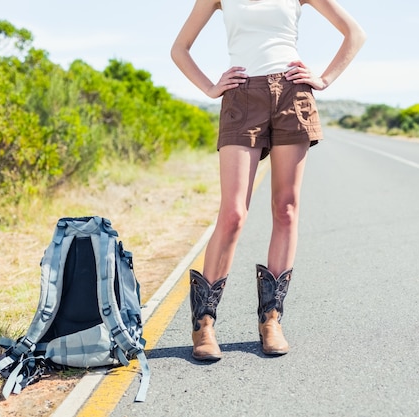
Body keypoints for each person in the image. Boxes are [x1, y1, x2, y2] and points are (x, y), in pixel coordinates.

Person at [171, 0, 366, 361]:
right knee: (233, 214)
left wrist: (323, 79)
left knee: (286, 209)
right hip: (242, 97)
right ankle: (204, 322)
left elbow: (355, 33)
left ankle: (271, 320)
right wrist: (211, 87)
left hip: (293, 96)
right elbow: (179, 49)